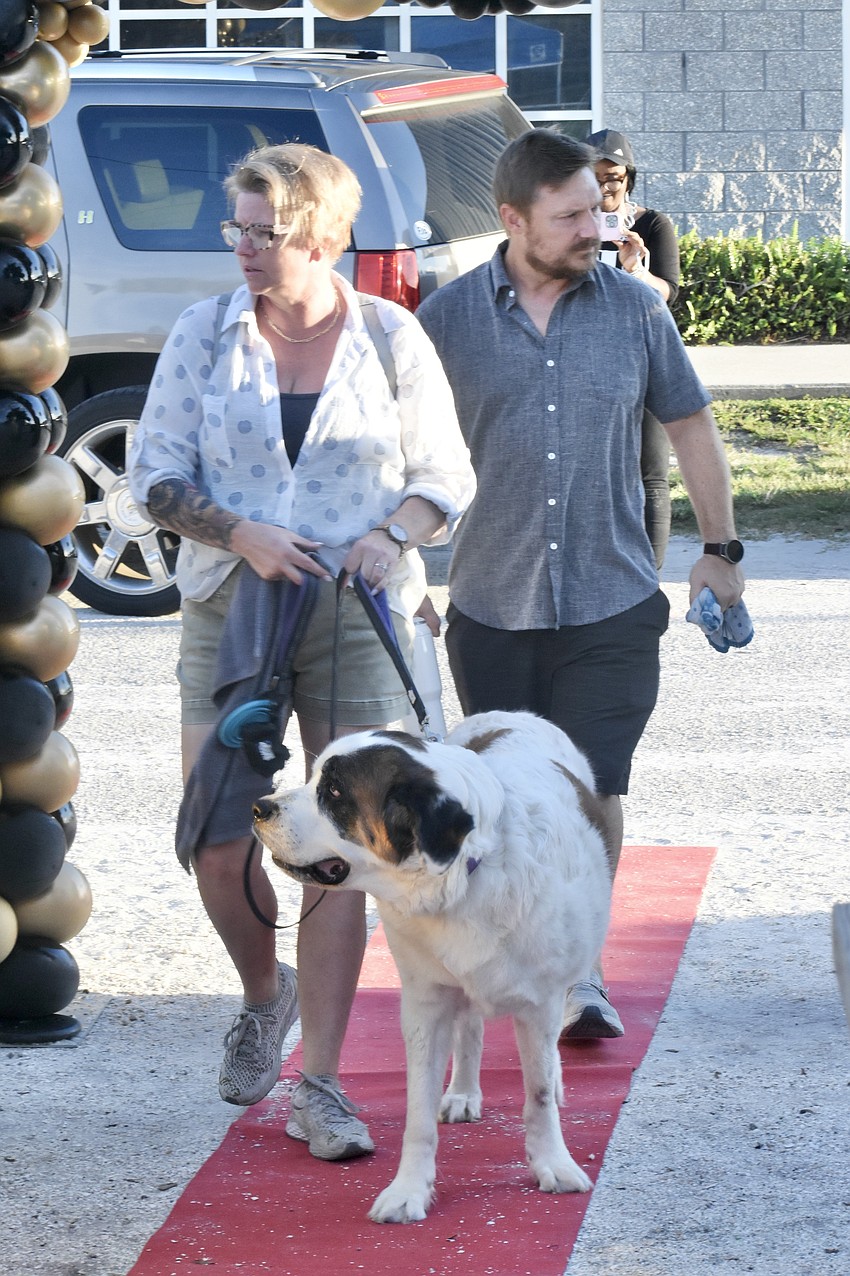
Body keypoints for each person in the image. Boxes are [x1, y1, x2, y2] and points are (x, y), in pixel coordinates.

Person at [127, 143, 475, 1159]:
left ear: (323, 236)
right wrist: (238, 531)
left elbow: (445, 472)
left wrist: (390, 533)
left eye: (262, 231)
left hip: (355, 607)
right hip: (230, 599)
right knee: (216, 835)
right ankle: (259, 990)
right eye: (235, 227)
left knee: (343, 845)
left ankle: (318, 1080)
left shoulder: (389, 335)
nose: (241, 247)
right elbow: (152, 476)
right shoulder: (204, 333)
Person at [417, 129, 745, 1041]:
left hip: (611, 597)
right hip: (490, 601)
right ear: (512, 219)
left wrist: (721, 549)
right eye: (570, 216)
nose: (595, 228)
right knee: (511, 796)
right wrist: (404, 565)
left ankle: (582, 973)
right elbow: (400, 452)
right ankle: (510, 959)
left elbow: (691, 428)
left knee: (594, 785)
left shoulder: (637, 310)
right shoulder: (446, 321)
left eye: (599, 209)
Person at [585, 127, 681, 569]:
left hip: (643, 359)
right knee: (589, 471)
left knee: (651, 475)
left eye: (616, 178)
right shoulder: (572, 225)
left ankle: (650, 578)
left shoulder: (652, 224)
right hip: (584, 359)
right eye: (597, 175)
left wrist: (636, 268)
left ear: (630, 180)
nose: (606, 186)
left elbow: (669, 292)